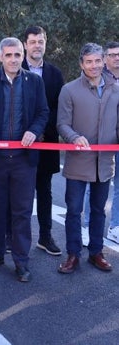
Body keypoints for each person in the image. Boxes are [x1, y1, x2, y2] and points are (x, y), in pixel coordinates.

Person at [0, 37, 48, 283]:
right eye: (8, 55)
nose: (13, 59)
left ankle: (21, 261)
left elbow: (43, 112)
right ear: (0, 57)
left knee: (22, 212)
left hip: (23, 160)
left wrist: (34, 131)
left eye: (17, 55)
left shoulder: (35, 81)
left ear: (22, 55)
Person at [56, 43, 119, 275]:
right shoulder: (69, 90)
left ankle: (96, 252)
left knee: (99, 211)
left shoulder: (115, 89)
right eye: (88, 62)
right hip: (78, 162)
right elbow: (62, 123)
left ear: (104, 61)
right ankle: (73, 254)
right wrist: (74, 137)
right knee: (73, 211)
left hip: (104, 163)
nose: (94, 66)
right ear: (81, 64)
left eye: (97, 61)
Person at [20, 25, 65, 256]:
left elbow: (59, 108)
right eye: (33, 41)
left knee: (44, 191)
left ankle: (45, 236)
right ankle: (14, 238)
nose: (37, 45)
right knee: (18, 192)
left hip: (46, 143)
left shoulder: (55, 74)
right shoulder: (15, 69)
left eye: (41, 41)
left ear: (45, 44)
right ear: (25, 44)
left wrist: (42, 131)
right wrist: (27, 131)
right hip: (20, 145)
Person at [102, 41, 119, 244]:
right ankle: (87, 227)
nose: (117, 58)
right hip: (103, 141)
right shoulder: (98, 79)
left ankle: (115, 226)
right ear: (105, 59)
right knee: (97, 184)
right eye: (113, 55)